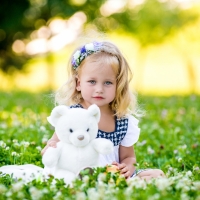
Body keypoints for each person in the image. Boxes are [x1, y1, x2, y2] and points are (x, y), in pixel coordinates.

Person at [41, 41, 165, 181]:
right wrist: (50, 147)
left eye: (108, 82)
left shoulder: (122, 120)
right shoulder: (72, 116)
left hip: (111, 174)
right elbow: (54, 142)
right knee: (75, 178)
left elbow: (128, 157)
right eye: (92, 82)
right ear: (78, 83)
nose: (99, 89)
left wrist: (127, 167)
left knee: (157, 174)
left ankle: (123, 184)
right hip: (79, 172)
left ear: (118, 85)